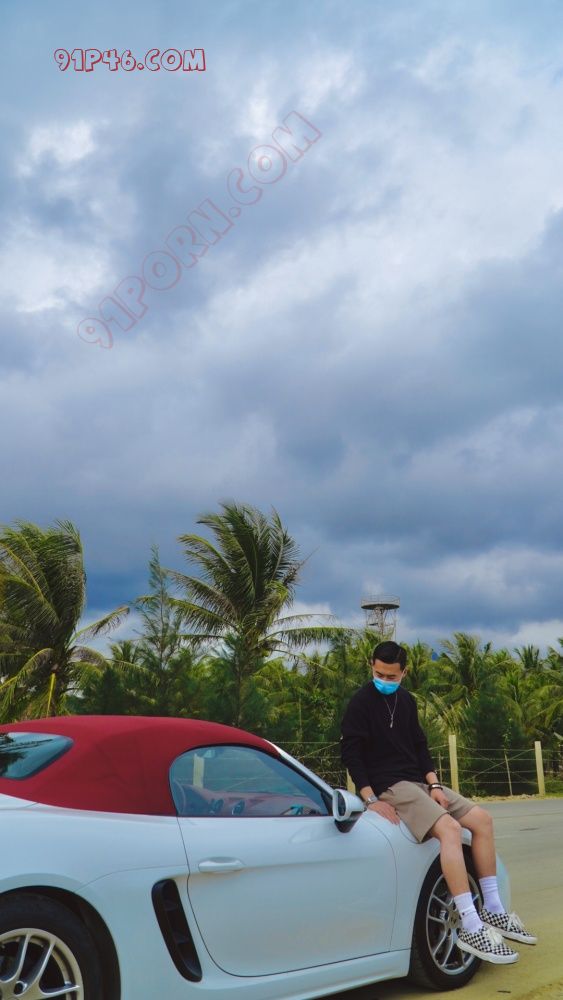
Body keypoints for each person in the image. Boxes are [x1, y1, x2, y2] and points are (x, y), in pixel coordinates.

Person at [340, 640, 537, 965]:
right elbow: (351, 753)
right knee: (450, 829)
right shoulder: (360, 703)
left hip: (419, 782)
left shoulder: (406, 701)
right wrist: (370, 797)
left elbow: (420, 745)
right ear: (371, 667)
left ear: (404, 673)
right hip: (391, 786)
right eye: (379, 674)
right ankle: (471, 925)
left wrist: (433, 784)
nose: (385, 681)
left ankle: (493, 909)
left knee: (482, 820)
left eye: (391, 676)